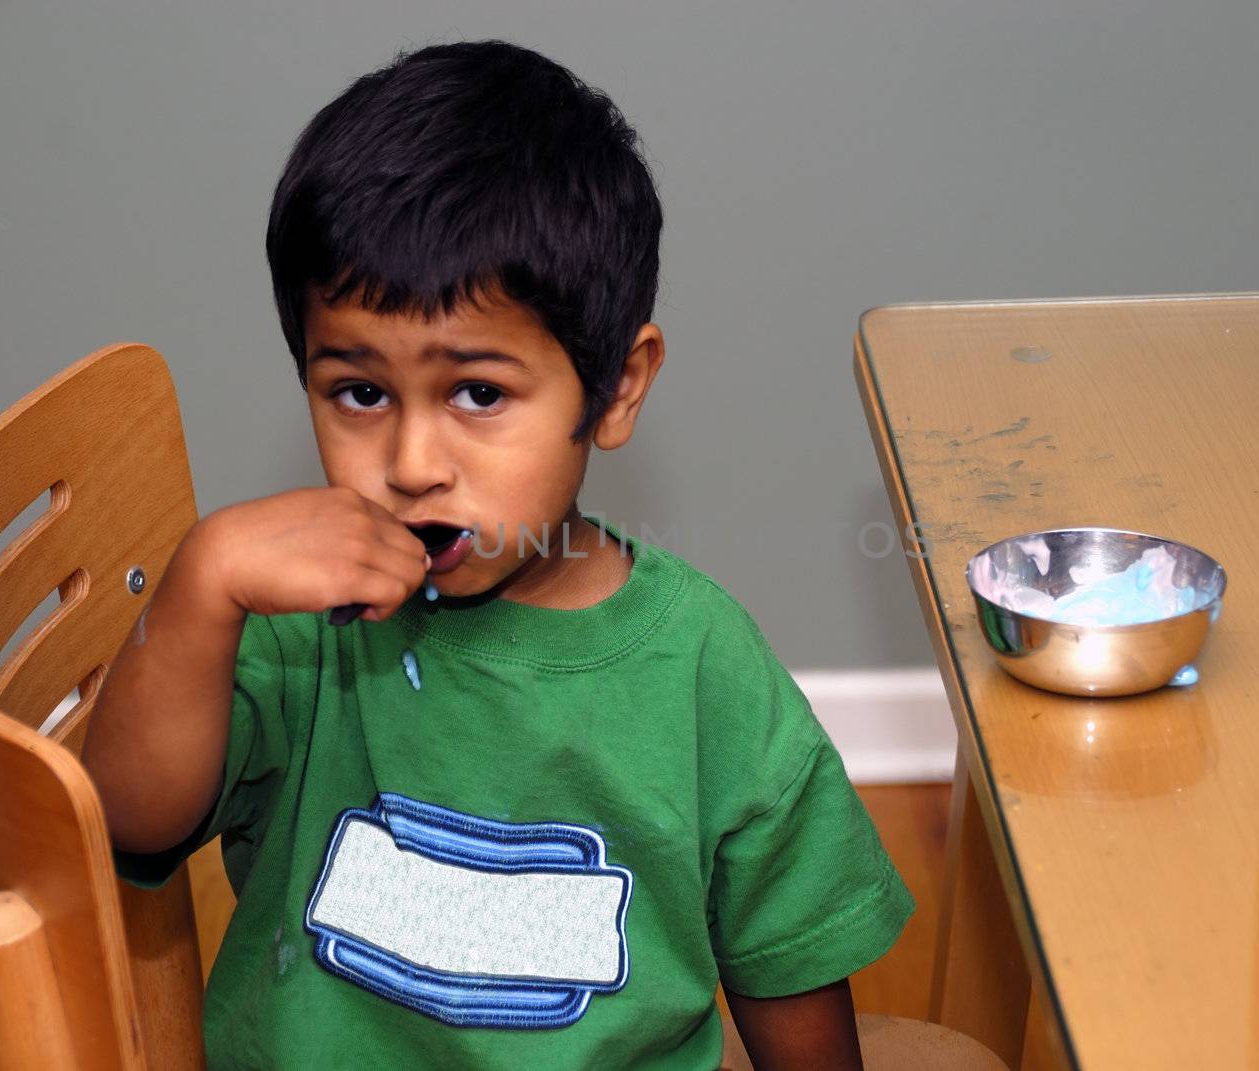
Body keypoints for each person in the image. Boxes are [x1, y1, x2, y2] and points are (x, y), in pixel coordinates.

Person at [81, 39, 912, 1069]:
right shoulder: (297, 626)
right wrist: (199, 589)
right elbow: (126, 826)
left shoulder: (700, 666)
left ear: (614, 388)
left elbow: (785, 954)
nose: (411, 462)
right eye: (358, 392)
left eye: (478, 393)